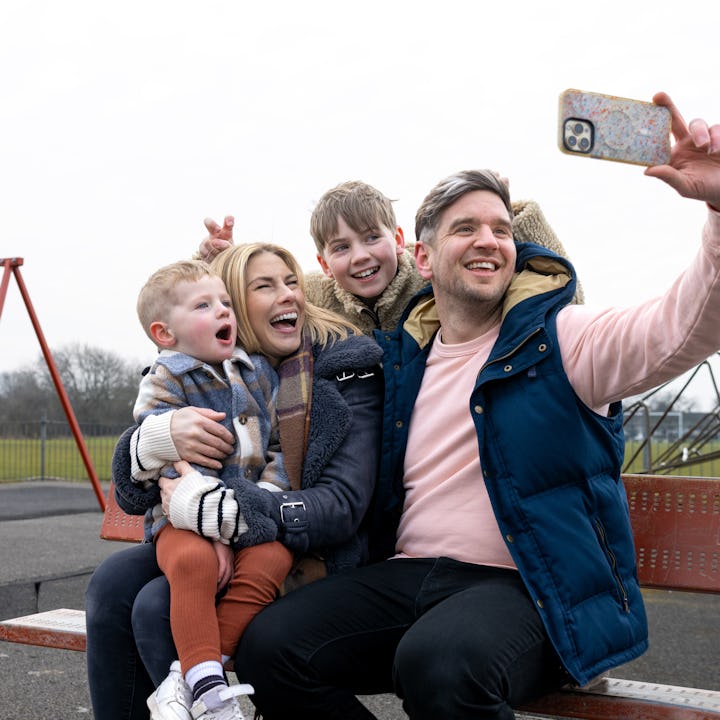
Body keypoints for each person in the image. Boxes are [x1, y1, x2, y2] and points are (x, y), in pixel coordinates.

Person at [219, 93, 720, 720]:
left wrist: (719, 208)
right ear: (422, 259)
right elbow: (298, 306)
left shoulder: (565, 339)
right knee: (268, 649)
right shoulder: (400, 361)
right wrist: (227, 274)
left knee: (438, 663)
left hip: (532, 587)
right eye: (466, 228)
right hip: (411, 574)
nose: (490, 241)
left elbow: (684, 326)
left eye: (502, 229)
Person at [85, 243, 384, 720]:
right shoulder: (209, 367)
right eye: (263, 286)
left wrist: (229, 520)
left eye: (292, 283)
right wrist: (154, 440)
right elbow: (131, 490)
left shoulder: (329, 366)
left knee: (153, 605)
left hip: (298, 540)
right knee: (112, 582)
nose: (287, 295)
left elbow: (340, 503)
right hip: (205, 523)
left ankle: (204, 688)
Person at [131, 259, 293, 720]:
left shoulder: (258, 371)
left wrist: (263, 497)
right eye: (205, 305)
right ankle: (214, 697)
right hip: (181, 517)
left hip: (250, 514)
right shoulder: (165, 378)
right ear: (165, 334)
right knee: (194, 562)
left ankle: (198, 680)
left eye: (225, 302)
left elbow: (279, 447)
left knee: (274, 558)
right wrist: (211, 533)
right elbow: (162, 459)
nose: (224, 311)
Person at [199, 179, 583, 337]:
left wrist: (508, 218)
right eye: (341, 247)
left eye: (371, 238)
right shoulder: (309, 295)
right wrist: (218, 266)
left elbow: (567, 298)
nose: (361, 256)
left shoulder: (438, 279)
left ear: (400, 239)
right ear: (323, 264)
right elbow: (246, 307)